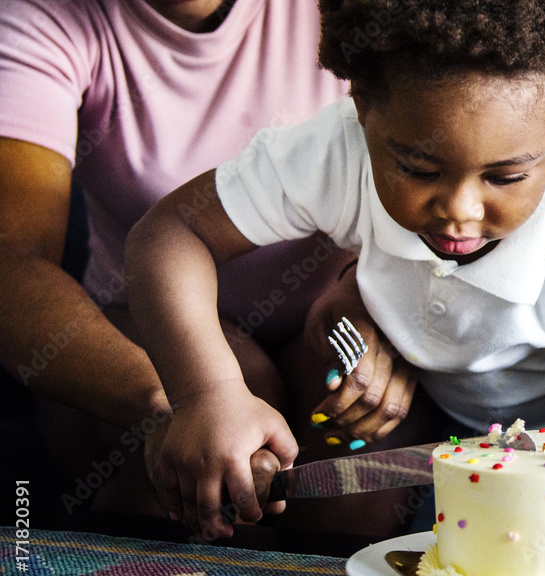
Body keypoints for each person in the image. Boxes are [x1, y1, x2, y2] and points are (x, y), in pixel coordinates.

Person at [124, 0, 545, 541]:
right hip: (458, 411)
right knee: (339, 530)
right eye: (419, 169)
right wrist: (208, 394)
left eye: (505, 178)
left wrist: (543, 487)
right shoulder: (337, 149)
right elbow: (170, 234)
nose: (460, 210)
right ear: (362, 110)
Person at [0, 0, 350, 518]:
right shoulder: (40, 16)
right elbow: (14, 263)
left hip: (339, 305)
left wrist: (387, 312)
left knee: (363, 435)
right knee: (220, 459)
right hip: (139, 323)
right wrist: (187, 401)